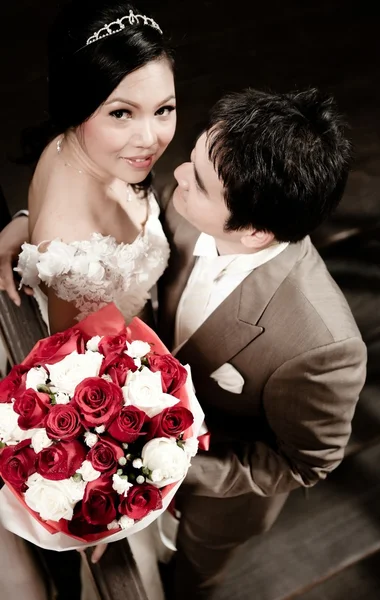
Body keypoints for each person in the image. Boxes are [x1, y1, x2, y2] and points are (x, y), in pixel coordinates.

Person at [1, 87, 367, 599]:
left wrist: (160, 465)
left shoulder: (322, 347)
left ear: (256, 232)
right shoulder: (188, 207)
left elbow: (304, 463)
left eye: (197, 180)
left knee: (193, 578)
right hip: (121, 428)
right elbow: (116, 236)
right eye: (192, 158)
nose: (175, 176)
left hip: (215, 500)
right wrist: (28, 228)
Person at [0, 0, 176, 598]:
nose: (149, 138)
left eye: (164, 109)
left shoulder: (73, 149)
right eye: (122, 113)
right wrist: (103, 494)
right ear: (81, 107)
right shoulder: (72, 246)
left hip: (129, 326)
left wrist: (20, 223)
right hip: (102, 371)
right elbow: (75, 367)